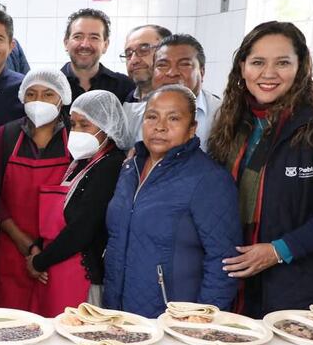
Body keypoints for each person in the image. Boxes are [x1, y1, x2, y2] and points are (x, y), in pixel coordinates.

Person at [208, 21, 313, 316]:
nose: (268, 74)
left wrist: (279, 250)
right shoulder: (233, 123)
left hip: (308, 295)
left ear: (301, 67)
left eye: (282, 62)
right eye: (258, 62)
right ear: (242, 67)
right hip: (240, 287)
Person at [103, 85, 240, 317]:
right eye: (152, 116)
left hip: (174, 317)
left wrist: (202, 319)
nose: (160, 126)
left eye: (173, 118)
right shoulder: (130, 168)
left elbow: (224, 261)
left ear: (192, 128)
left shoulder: (209, 178)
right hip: (119, 311)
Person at [26, 90, 130, 312]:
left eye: (85, 125)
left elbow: (83, 228)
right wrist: (37, 246)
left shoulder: (110, 166)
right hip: (55, 265)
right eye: (73, 124)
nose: (77, 132)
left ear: (107, 127)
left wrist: (39, 261)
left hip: (80, 273)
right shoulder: (79, 162)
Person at [0, 68, 72, 313]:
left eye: (48, 94)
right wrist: (27, 245)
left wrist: (46, 254)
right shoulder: (7, 135)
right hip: (11, 249)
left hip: (59, 252)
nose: (39, 101)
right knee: (10, 325)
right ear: (22, 98)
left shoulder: (76, 138)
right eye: (32, 94)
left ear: (63, 98)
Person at [128, 33, 222, 149]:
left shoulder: (223, 114)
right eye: (162, 65)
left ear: (202, 72)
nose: (172, 73)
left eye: (184, 64)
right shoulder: (131, 116)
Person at [60, 8, 135, 104]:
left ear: (105, 45)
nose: (85, 44)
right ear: (66, 43)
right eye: (78, 36)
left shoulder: (125, 86)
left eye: (94, 38)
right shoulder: (49, 87)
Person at [121, 24, 172, 103]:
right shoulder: (126, 98)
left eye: (144, 49)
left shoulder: (180, 99)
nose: (133, 60)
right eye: (129, 53)